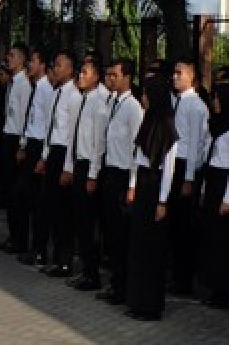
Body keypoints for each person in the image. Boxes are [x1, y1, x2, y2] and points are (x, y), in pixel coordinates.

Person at [125, 74, 179, 322]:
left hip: (157, 187)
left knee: (153, 249)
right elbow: (138, 159)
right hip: (144, 185)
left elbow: (168, 169)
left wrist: (163, 201)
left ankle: (151, 305)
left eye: (146, 94)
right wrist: (133, 186)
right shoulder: (147, 121)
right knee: (139, 245)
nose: (143, 98)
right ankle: (136, 300)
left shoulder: (168, 126)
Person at [198, 79, 229, 310]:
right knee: (210, 239)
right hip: (212, 183)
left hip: (223, 187)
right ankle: (213, 284)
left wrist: (228, 198)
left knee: (222, 242)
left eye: (218, 98)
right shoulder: (216, 126)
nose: (214, 102)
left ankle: (223, 290)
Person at [97, 58, 143, 305]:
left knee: (121, 235)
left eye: (114, 75)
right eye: (108, 74)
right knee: (111, 234)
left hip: (125, 175)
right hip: (110, 171)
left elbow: (137, 149)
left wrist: (133, 185)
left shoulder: (133, 107)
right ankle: (115, 283)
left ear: (127, 77)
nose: (110, 79)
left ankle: (122, 287)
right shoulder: (112, 103)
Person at [37, 49, 80, 278]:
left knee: (64, 212)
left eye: (61, 64)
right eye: (55, 63)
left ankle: (65, 261)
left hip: (65, 154)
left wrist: (68, 167)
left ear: (71, 69)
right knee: (51, 207)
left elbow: (72, 133)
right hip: (53, 151)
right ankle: (55, 258)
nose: (56, 67)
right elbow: (50, 128)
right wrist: (44, 156)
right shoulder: (57, 92)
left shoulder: (74, 95)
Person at [68, 57, 110, 291]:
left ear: (96, 76)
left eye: (84, 72)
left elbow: (98, 142)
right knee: (80, 223)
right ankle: (86, 270)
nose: (80, 76)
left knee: (88, 223)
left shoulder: (99, 102)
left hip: (90, 167)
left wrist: (92, 174)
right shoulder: (85, 99)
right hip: (80, 163)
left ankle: (92, 274)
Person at [168, 61, 210, 297]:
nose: (175, 77)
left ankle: (184, 280)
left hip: (186, 166)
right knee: (175, 225)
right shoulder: (179, 101)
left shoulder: (195, 105)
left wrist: (188, 178)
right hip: (175, 163)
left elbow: (195, 143)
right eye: (174, 73)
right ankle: (176, 276)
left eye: (179, 73)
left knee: (184, 227)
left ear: (191, 77)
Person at [17, 48, 55, 267]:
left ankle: (39, 249)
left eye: (32, 61)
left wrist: (43, 155)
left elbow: (49, 125)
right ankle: (30, 245)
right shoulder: (37, 88)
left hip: (40, 146)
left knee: (37, 201)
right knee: (27, 197)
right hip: (31, 144)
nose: (29, 65)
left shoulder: (46, 90)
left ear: (42, 65)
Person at [0, 44, 32, 253]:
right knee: (8, 192)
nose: (8, 59)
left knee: (17, 194)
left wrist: (22, 145)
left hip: (16, 141)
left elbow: (24, 119)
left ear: (21, 60)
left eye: (12, 56)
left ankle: (19, 239)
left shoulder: (24, 85)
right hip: (7, 137)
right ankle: (12, 235)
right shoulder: (12, 83)